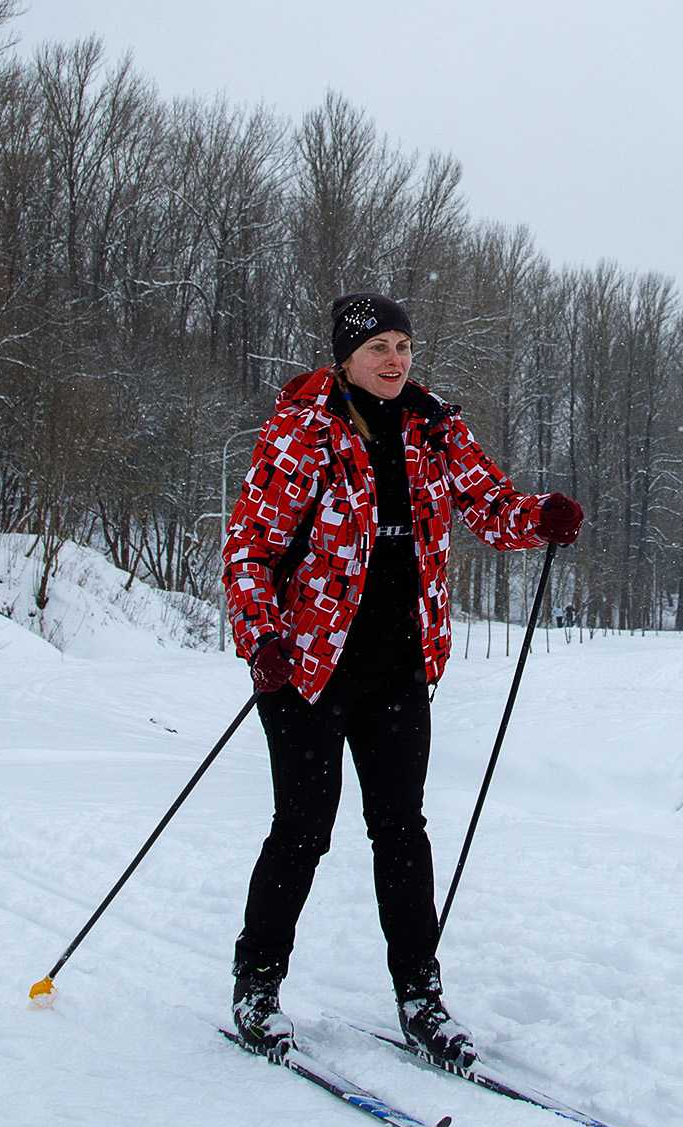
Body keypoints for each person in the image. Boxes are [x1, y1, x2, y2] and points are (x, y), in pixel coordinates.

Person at [220, 293, 584, 1068]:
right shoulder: (303, 429)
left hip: (399, 666)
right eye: (378, 346)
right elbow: (250, 548)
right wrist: (263, 639)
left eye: (403, 346)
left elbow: (491, 507)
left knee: (401, 830)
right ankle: (257, 986)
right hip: (307, 669)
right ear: (346, 357)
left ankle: (421, 995)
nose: (395, 360)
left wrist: (540, 516)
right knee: (303, 829)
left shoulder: (433, 426)